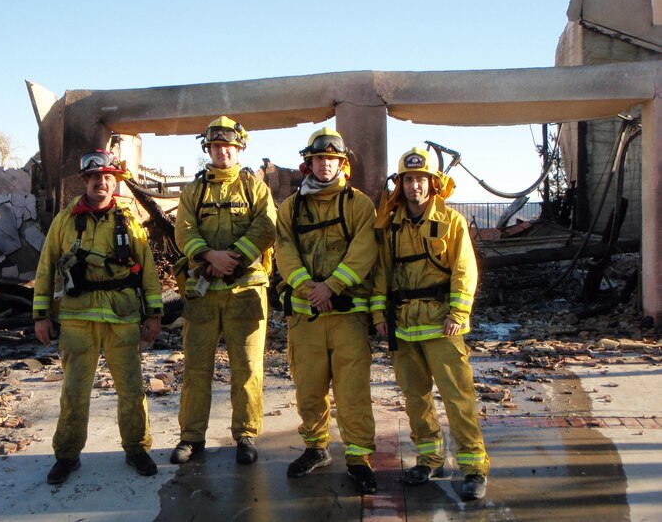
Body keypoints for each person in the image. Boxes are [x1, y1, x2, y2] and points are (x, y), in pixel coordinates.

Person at [33, 150, 164, 485]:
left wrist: (155, 315)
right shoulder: (65, 220)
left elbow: (147, 269)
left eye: (107, 177)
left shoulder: (128, 219)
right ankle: (66, 455)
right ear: (85, 182)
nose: (101, 183)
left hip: (122, 318)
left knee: (132, 390)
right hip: (78, 320)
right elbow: (46, 267)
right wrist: (41, 316)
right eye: (95, 178)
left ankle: (136, 449)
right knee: (74, 392)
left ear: (114, 180)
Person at [371, 146, 489, 501]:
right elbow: (382, 274)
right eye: (409, 179)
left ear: (433, 183)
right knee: (415, 398)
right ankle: (429, 459)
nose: (415, 187)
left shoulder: (451, 222)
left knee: (458, 398)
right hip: (404, 325)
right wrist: (379, 316)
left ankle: (473, 468)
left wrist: (458, 313)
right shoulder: (390, 225)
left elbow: (465, 269)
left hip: (442, 325)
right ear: (401, 183)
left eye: (421, 179)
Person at [275, 127, 378, 495]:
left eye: (332, 159)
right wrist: (309, 289)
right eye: (320, 159)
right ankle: (316, 448)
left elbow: (364, 251)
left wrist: (330, 287)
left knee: (353, 392)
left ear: (342, 163)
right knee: (309, 388)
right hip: (306, 317)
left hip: (347, 317)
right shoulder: (291, 208)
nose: (325, 165)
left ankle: (359, 458)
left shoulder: (359, 205)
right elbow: (283, 251)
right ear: (310, 163)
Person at [171, 116, 276, 465]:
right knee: (196, 369)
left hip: (245, 291)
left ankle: (246, 434)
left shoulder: (255, 188)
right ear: (208, 149)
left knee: (247, 368)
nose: (222, 152)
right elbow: (183, 230)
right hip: (203, 292)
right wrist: (209, 256)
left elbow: (267, 225)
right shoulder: (194, 190)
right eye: (216, 147)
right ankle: (191, 438)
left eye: (228, 146)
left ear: (239, 148)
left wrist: (235, 257)